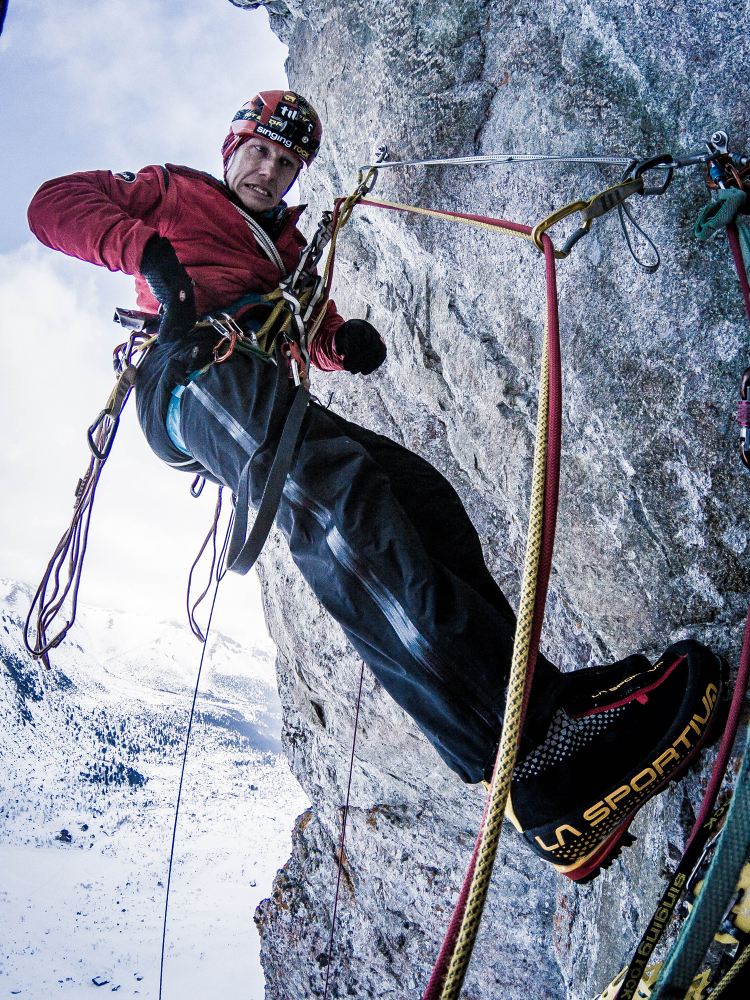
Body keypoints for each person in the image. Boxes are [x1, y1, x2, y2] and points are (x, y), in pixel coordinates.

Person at [27, 90, 725, 881]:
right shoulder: (170, 190)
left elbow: (308, 323)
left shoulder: (286, 248)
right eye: (258, 151)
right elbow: (53, 204)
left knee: (421, 498)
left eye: (286, 163)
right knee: (340, 508)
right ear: (231, 148)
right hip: (191, 375)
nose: (268, 170)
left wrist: (336, 344)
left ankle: (544, 702)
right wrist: (147, 253)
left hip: (257, 383)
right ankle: (538, 767)